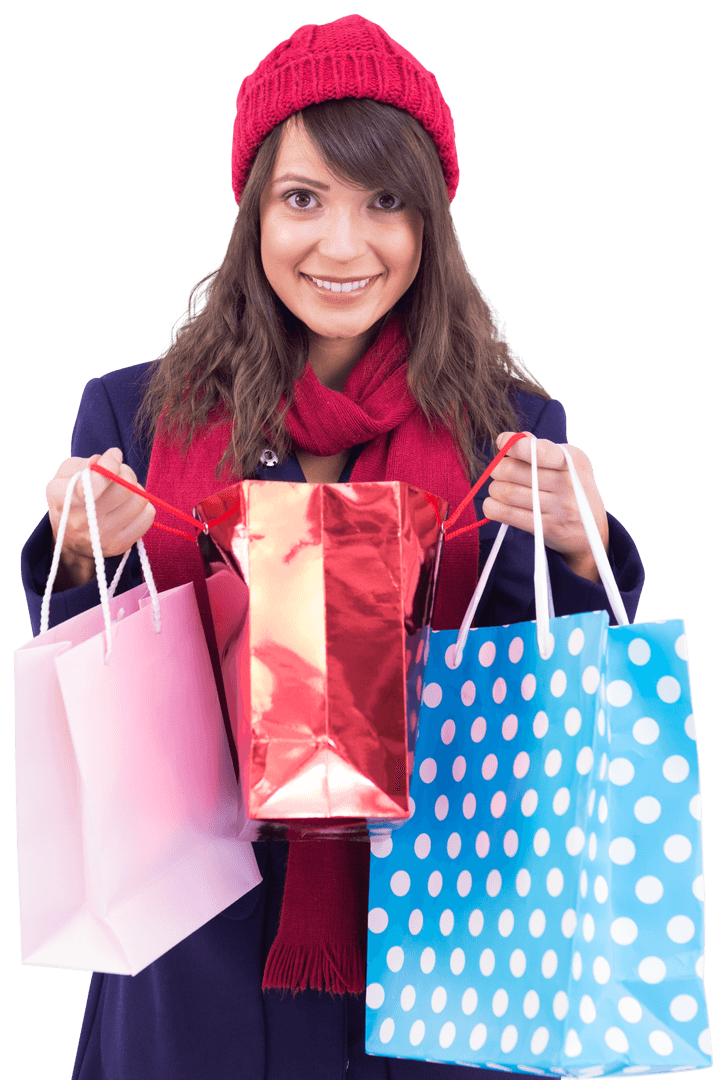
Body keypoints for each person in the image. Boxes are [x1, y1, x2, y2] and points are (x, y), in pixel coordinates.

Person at [21, 14, 644, 1080]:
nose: (344, 246)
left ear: (429, 225)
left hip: (439, 961)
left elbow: (544, 698)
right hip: (189, 957)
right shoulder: (133, 414)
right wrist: (84, 553)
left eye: (384, 203)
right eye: (303, 199)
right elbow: (96, 688)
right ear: (253, 211)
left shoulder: (508, 427)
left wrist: (581, 552)